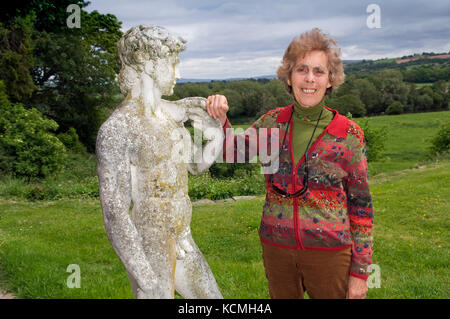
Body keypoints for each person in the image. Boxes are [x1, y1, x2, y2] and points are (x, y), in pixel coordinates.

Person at [206, 28, 374, 299]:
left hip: (330, 252)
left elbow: (362, 207)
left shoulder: (349, 134)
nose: (309, 79)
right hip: (277, 249)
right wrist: (219, 116)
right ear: (289, 75)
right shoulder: (272, 122)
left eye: (319, 71)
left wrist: (360, 273)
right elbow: (230, 152)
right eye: (301, 70)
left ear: (330, 79)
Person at [96, 25, 223, 299]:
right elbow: (115, 213)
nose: (178, 73)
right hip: (150, 243)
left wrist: (215, 136)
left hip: (183, 238)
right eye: (172, 63)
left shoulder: (170, 117)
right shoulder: (118, 128)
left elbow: (196, 166)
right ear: (145, 60)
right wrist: (144, 275)